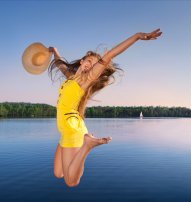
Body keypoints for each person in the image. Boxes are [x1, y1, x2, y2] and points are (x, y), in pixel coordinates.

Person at [48, 29, 163, 187]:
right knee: (58, 173)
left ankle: (87, 146)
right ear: (82, 61)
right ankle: (85, 143)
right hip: (66, 128)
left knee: (71, 181)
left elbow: (109, 55)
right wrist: (54, 51)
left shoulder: (85, 81)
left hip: (72, 130)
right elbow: (60, 63)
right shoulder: (71, 78)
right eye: (89, 60)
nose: (91, 65)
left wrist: (137, 36)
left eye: (95, 65)